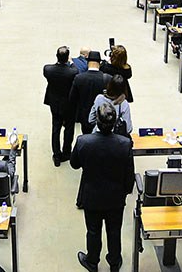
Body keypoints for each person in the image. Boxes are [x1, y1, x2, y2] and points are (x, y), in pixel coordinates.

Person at [71, 102, 134, 272]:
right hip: (115, 197)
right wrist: (125, 193)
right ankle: (114, 262)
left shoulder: (84, 141)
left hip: (92, 195)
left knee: (93, 231)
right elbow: (130, 175)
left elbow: (74, 164)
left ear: (96, 121)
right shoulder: (125, 143)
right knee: (114, 232)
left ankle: (92, 261)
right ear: (114, 123)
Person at [43, 46, 79, 166]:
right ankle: (66, 152)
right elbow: (75, 69)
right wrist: (71, 62)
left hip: (55, 103)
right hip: (69, 104)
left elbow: (50, 68)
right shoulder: (72, 71)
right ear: (67, 57)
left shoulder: (48, 70)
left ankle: (56, 155)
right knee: (69, 128)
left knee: (56, 128)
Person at [70, 51, 112, 135]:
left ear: (87, 62)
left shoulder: (79, 78)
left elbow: (72, 98)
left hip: (85, 116)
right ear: (99, 63)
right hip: (103, 116)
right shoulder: (107, 78)